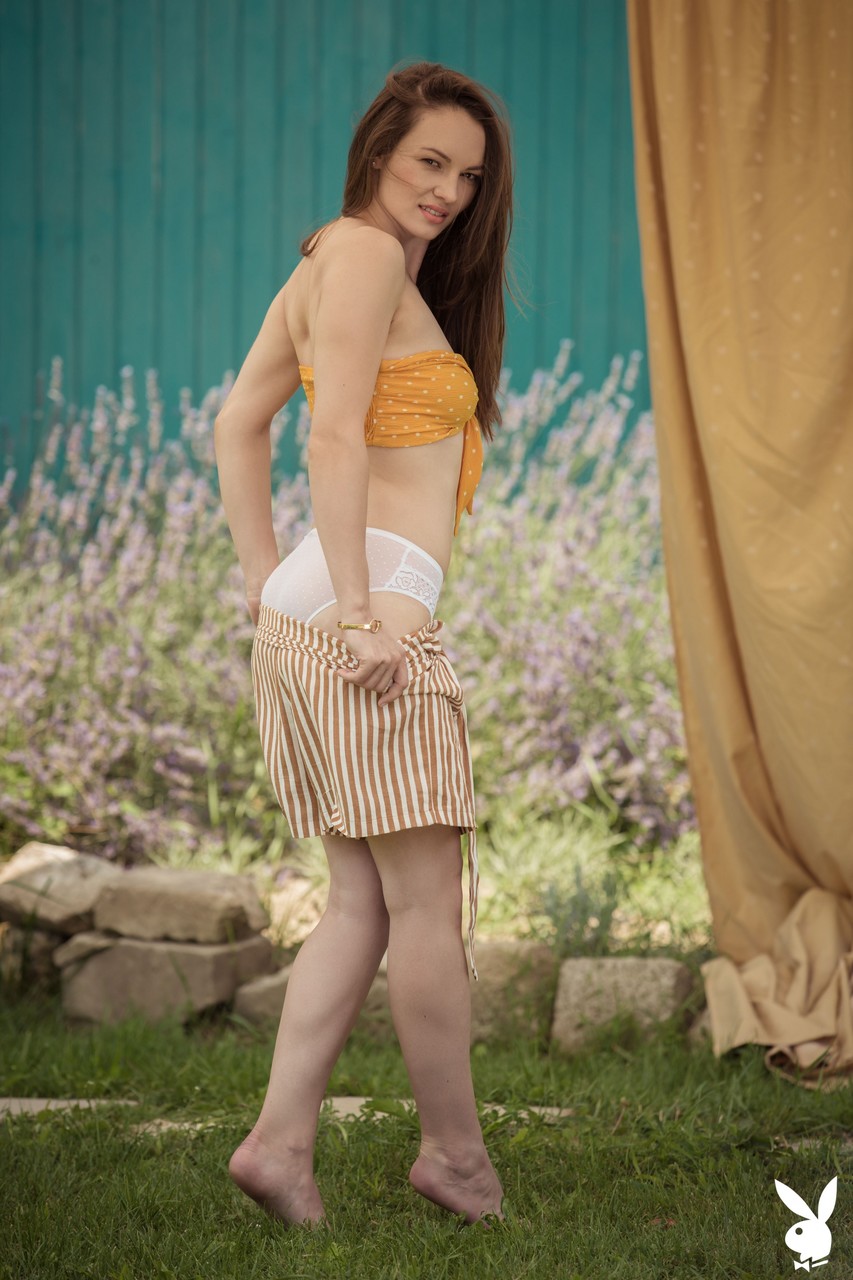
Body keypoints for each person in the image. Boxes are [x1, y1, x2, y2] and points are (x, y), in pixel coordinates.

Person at [213, 60, 515, 1231]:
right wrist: (350, 609)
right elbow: (327, 436)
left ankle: (280, 1145)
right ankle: (457, 1158)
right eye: (429, 160)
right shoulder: (365, 256)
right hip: (364, 616)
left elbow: (239, 421)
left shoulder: (334, 258)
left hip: (332, 606)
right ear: (380, 147)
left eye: (468, 176)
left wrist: (266, 578)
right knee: (425, 904)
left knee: (362, 902)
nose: (447, 190)